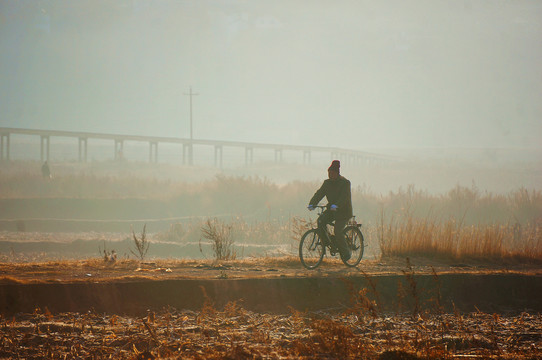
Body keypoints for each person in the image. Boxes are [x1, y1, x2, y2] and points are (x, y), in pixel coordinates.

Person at [308, 160, 352, 261]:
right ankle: (328, 242)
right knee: (320, 221)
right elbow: (319, 193)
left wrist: (336, 205)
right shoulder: (327, 183)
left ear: (337, 173)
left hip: (343, 211)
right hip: (332, 209)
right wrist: (312, 203)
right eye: (329, 173)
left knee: (338, 230)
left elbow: (344, 198)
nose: (330, 175)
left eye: (332, 173)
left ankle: (346, 252)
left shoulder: (345, 183)